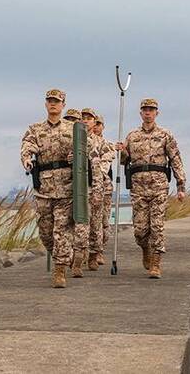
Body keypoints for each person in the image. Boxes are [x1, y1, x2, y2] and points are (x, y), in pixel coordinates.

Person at [117, 98, 186, 279]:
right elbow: (124, 160)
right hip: (138, 186)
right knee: (140, 230)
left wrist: (181, 185)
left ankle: (156, 263)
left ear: (157, 113)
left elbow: (176, 160)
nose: (148, 112)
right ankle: (145, 247)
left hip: (159, 186)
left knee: (157, 226)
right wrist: (121, 151)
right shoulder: (132, 136)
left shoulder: (165, 135)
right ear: (140, 113)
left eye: (151, 110)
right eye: (145, 110)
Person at [20, 89, 77, 288]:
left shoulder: (74, 129)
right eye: (50, 101)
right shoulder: (35, 129)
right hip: (44, 187)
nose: (53, 104)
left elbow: (86, 152)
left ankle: (60, 270)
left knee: (61, 229)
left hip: (66, 186)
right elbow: (27, 146)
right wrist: (27, 159)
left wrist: (76, 156)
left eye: (57, 101)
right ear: (46, 104)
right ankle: (62, 255)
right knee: (46, 232)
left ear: (63, 105)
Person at [80, 108, 106, 271]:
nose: (85, 120)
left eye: (89, 118)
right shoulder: (75, 139)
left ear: (94, 122)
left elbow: (104, 164)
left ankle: (93, 254)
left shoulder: (101, 142)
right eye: (83, 118)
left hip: (96, 186)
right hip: (78, 187)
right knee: (80, 223)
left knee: (96, 224)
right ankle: (79, 255)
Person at [93, 114, 116, 265]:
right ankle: (91, 251)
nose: (96, 126)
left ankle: (100, 250)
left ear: (103, 126)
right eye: (94, 123)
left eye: (99, 124)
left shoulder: (107, 144)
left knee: (103, 221)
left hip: (105, 188)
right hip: (90, 188)